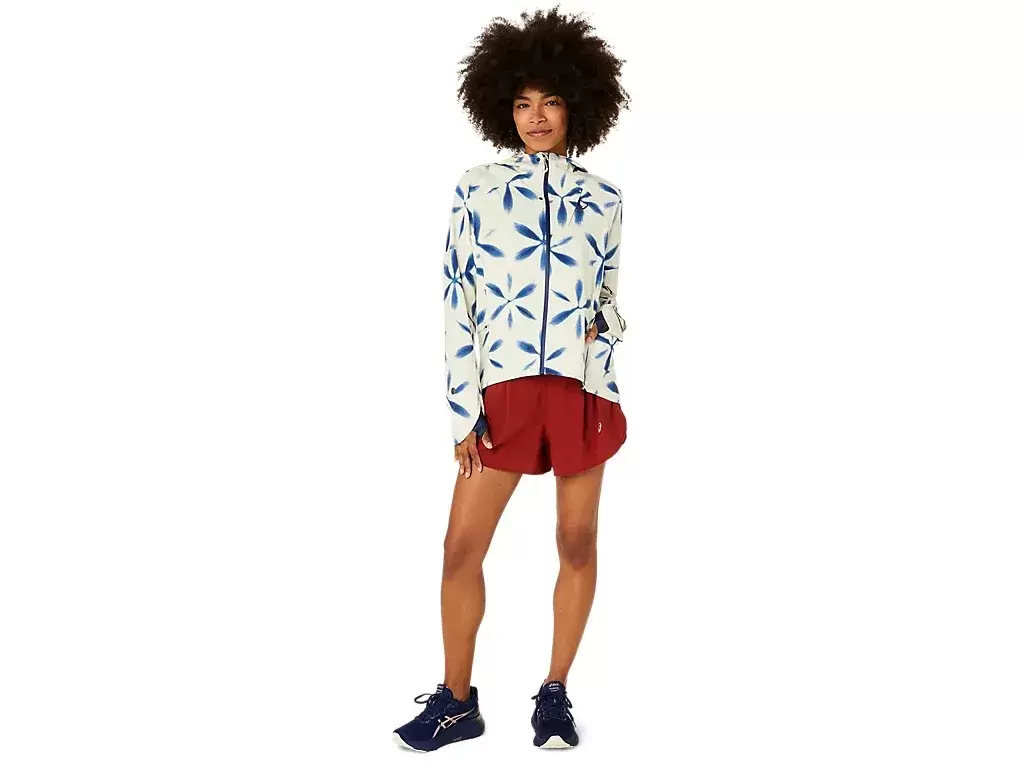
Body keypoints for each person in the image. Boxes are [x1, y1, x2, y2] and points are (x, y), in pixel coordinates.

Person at [393, 6, 631, 751]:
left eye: (550, 101)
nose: (536, 117)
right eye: (523, 103)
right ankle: (457, 700)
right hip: (502, 392)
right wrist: (463, 410)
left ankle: (554, 694)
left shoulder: (605, 199)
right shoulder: (477, 189)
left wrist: (602, 326)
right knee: (460, 548)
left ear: (577, 105)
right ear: (503, 108)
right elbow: (456, 299)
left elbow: (610, 297)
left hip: (581, 392)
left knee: (577, 542)